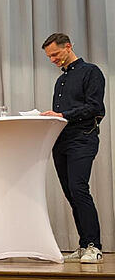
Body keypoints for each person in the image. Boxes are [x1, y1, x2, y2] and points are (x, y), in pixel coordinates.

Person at [40, 33, 105, 263]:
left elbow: (96, 108)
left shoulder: (91, 72)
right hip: (61, 142)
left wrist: (63, 114)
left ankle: (93, 246)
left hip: (83, 139)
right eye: (49, 57)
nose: (53, 60)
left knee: (79, 189)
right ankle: (83, 243)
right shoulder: (61, 81)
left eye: (55, 54)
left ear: (68, 47)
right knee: (71, 194)